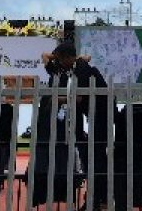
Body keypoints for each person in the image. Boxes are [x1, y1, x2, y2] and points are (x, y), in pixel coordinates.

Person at [32, 42, 107, 208]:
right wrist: (69, 57)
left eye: (60, 59)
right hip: (78, 116)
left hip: (98, 114)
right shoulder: (61, 69)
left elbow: (79, 97)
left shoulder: (81, 70)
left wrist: (56, 99)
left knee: (95, 156)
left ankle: (99, 199)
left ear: (67, 58)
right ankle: (96, 198)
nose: (56, 61)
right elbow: (44, 56)